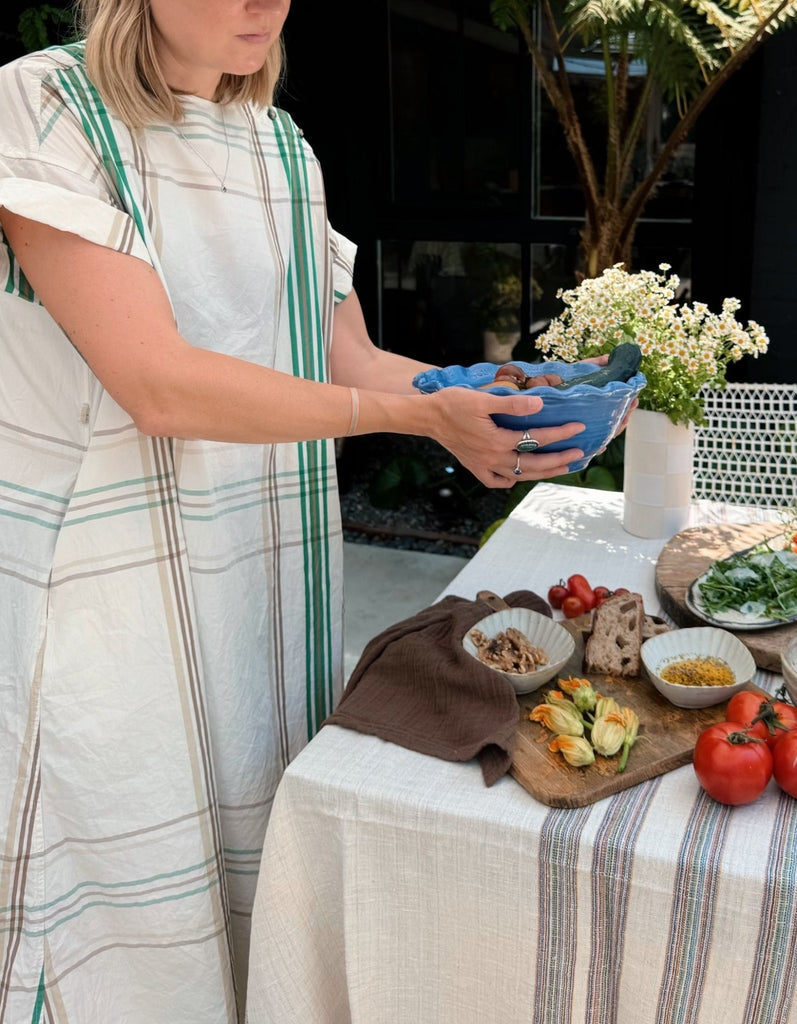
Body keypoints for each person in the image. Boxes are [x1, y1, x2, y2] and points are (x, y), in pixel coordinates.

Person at [0, 1, 590, 1020]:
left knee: (248, 884)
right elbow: (157, 385)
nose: (263, 3)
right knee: (114, 912)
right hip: (109, 602)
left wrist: (489, 408)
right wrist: (414, 411)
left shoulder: (282, 147)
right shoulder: (48, 106)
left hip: (262, 586)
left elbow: (345, 360)